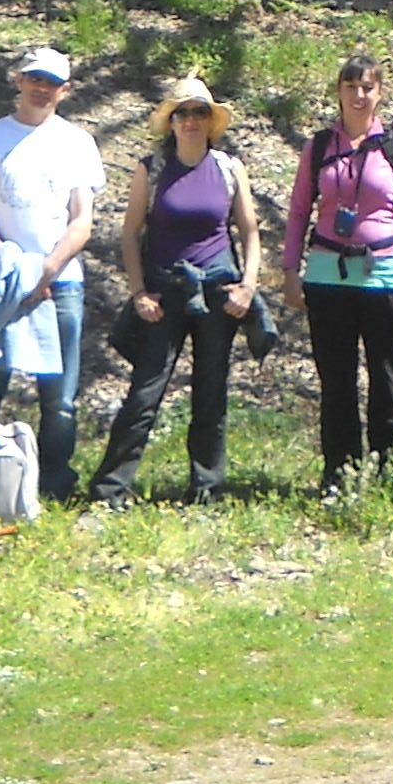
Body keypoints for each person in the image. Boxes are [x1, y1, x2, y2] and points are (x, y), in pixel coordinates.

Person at [89, 77, 262, 509]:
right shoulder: (152, 168)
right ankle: (110, 490)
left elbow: (250, 230)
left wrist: (248, 285)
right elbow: (130, 235)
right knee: (145, 392)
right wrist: (139, 292)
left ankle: (206, 488)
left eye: (198, 112)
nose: (190, 121)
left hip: (217, 291)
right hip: (165, 292)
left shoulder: (228, 168)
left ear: (211, 121)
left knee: (211, 391)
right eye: (182, 113)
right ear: (170, 121)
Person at [281, 51, 393, 494]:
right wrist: (291, 270)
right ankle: (340, 477)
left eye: (367, 86)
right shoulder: (319, 148)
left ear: (380, 93)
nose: (359, 95)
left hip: (385, 276)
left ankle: (390, 476)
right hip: (327, 276)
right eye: (350, 87)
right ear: (339, 92)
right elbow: (297, 212)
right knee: (336, 383)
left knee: (387, 380)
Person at [0, 46, 105, 505]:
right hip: (1, 281)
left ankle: (54, 485)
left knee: (59, 397)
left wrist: (48, 266)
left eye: (52, 83)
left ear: (65, 90)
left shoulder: (77, 141)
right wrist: (14, 267)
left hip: (61, 283)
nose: (41, 90)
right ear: (19, 80)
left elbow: (82, 219)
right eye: (34, 79)